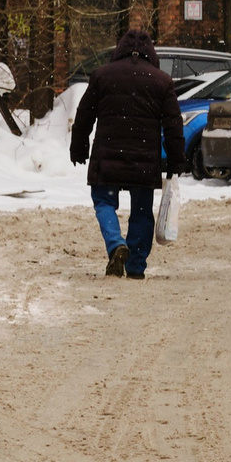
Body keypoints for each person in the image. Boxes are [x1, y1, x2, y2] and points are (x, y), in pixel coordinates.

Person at [69, 30, 186, 279]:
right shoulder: (162, 81)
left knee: (104, 202)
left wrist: (79, 147)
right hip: (144, 160)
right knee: (142, 210)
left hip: (107, 154)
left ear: (119, 50)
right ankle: (135, 266)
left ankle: (115, 243)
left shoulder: (102, 75)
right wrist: (176, 161)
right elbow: (174, 126)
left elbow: (84, 114)